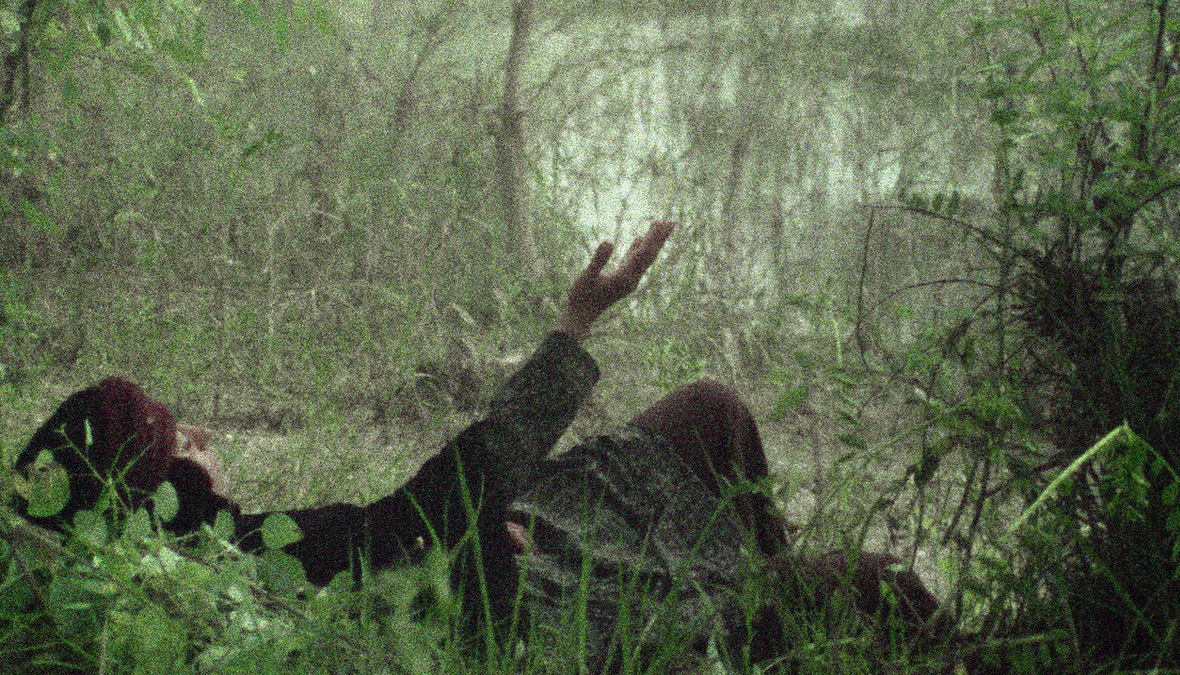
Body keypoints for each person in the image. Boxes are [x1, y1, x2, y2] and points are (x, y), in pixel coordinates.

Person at [8, 220, 944, 672]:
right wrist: (573, 328)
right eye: (179, 440)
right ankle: (769, 620)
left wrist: (470, 541)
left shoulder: (225, 554)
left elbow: (420, 529)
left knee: (710, 409)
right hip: (558, 604)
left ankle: (769, 601)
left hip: (519, 541)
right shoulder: (246, 568)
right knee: (883, 582)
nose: (204, 436)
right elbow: (438, 508)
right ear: (159, 495)